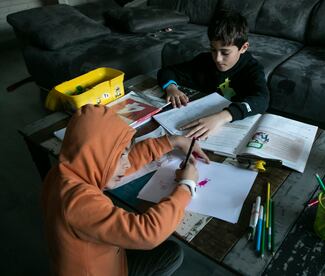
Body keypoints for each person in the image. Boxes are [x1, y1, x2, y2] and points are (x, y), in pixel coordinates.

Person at [41, 104, 210, 276]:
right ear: (98, 158)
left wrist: (173, 141)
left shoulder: (65, 171)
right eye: (122, 155)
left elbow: (114, 164)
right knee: (171, 255)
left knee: (170, 252)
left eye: (125, 154)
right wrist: (186, 186)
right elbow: (148, 234)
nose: (127, 163)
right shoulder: (78, 203)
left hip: (99, 255)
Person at [157, 10, 269, 140]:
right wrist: (171, 88)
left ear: (243, 47)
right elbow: (167, 71)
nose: (217, 59)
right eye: (213, 50)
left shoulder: (252, 68)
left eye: (225, 53)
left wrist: (222, 116)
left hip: (231, 124)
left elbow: (262, 100)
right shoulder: (204, 60)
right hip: (198, 118)